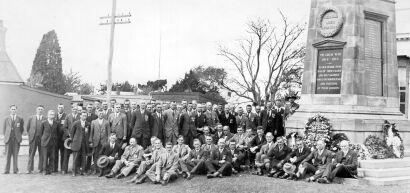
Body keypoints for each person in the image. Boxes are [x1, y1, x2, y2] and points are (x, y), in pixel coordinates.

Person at [3, 105, 24, 174]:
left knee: (15, 155)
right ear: (10, 110)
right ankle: (6, 170)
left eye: (14, 109)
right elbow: (4, 129)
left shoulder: (20, 119)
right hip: (8, 139)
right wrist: (6, 137)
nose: (13, 110)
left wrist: (18, 136)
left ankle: (15, 170)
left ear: (16, 110)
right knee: (7, 155)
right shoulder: (6, 118)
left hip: (16, 140)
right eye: (12, 109)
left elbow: (21, 129)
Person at [89, 109, 111, 174]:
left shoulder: (106, 122)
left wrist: (108, 142)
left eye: (102, 113)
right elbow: (91, 133)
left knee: (103, 156)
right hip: (96, 141)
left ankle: (102, 170)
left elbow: (109, 133)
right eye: (99, 113)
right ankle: (95, 169)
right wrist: (91, 141)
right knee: (95, 155)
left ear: (103, 114)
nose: (101, 115)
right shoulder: (93, 122)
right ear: (97, 114)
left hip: (104, 142)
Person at [61, 104, 81, 174]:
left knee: (77, 155)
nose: (75, 110)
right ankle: (64, 169)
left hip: (77, 139)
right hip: (68, 139)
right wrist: (69, 134)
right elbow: (64, 127)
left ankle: (76, 169)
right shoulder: (68, 116)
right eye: (74, 109)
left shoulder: (80, 117)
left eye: (76, 109)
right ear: (71, 109)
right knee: (66, 154)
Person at [26, 105, 46, 174]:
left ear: (43, 110)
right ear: (36, 110)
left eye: (41, 109)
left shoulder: (45, 119)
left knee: (42, 154)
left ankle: (40, 168)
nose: (40, 110)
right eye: (39, 109)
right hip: (33, 138)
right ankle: (29, 169)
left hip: (42, 139)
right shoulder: (31, 118)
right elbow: (27, 128)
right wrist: (31, 136)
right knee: (31, 154)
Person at [70, 112, 91, 176]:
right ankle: (74, 171)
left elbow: (88, 133)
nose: (84, 117)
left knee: (84, 158)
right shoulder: (76, 123)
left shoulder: (88, 124)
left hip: (84, 144)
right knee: (75, 158)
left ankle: (83, 171)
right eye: (83, 115)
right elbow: (72, 133)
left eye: (85, 116)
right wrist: (74, 141)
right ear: (80, 116)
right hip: (76, 143)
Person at [40, 110, 59, 175]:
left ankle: (50, 170)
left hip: (53, 143)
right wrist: (43, 140)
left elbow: (57, 133)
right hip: (45, 142)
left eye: (53, 114)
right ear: (48, 115)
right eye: (50, 114)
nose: (52, 116)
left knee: (52, 157)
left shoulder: (56, 123)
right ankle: (44, 170)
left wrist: (55, 140)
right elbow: (41, 133)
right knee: (45, 157)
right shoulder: (43, 123)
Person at [54, 104, 67, 173]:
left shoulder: (66, 116)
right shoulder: (54, 116)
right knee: (55, 153)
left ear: (63, 108)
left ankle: (63, 168)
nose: (60, 109)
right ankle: (55, 168)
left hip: (62, 139)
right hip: (55, 138)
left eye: (61, 107)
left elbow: (66, 127)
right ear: (57, 108)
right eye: (59, 107)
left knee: (63, 154)